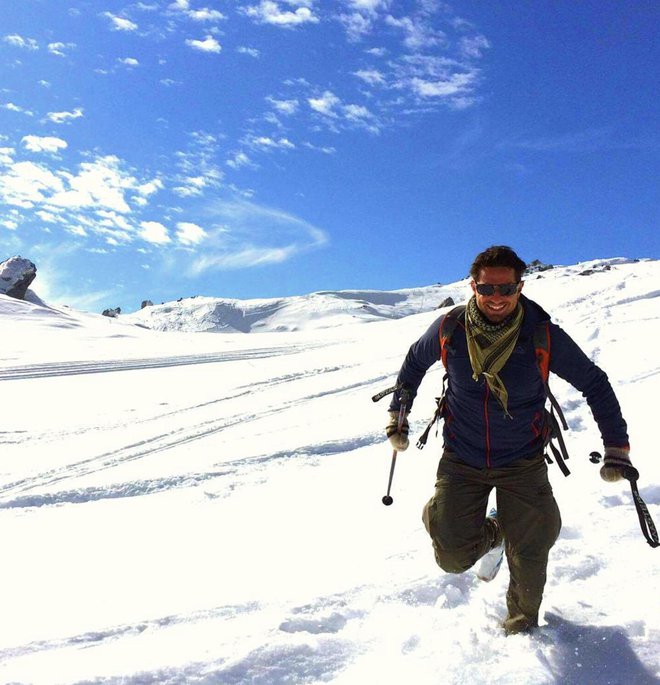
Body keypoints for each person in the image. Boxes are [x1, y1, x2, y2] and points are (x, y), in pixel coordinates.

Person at [386, 245, 632, 635]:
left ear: (520, 286)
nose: (497, 298)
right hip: (462, 458)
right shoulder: (450, 328)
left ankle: (521, 633)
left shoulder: (542, 334)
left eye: (507, 289)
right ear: (473, 287)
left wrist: (616, 448)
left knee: (532, 552)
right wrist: (398, 414)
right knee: (451, 555)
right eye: (487, 290)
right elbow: (414, 363)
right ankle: (496, 530)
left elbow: (594, 384)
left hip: (523, 460)